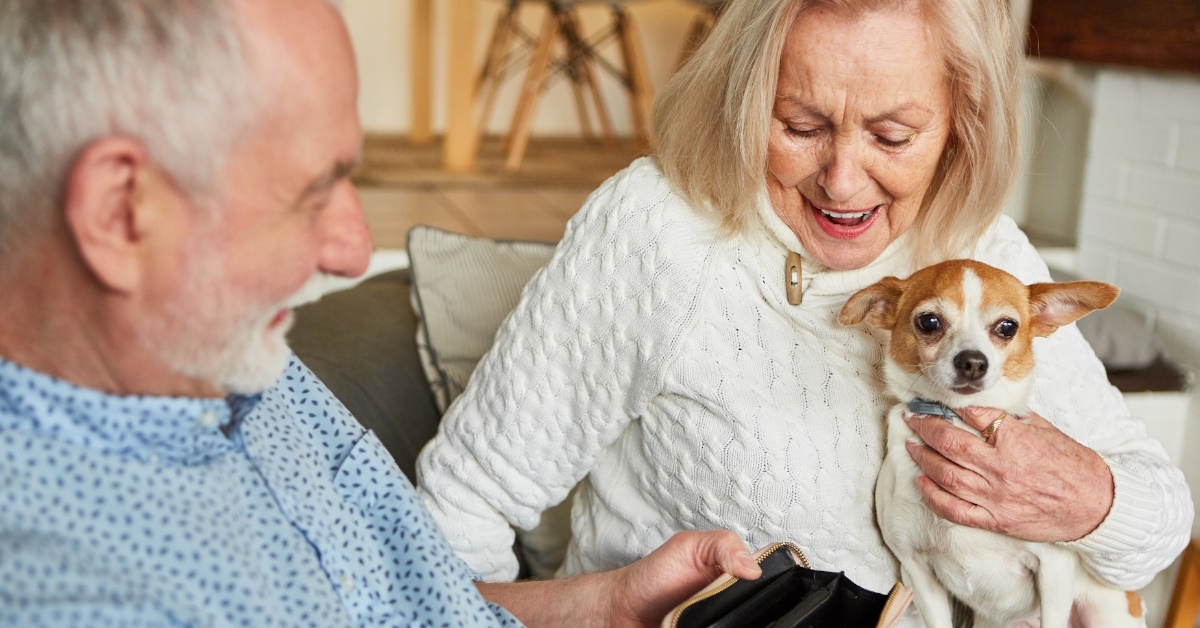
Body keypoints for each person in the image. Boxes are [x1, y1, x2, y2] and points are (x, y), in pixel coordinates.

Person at [415, 0, 1194, 618]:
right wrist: (593, 608)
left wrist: (1085, 497)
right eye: (801, 126)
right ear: (746, 98)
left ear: (961, 123)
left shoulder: (982, 258)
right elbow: (455, 512)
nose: (843, 182)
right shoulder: (655, 233)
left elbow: (1158, 523)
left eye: (892, 136)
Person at [0, 0, 765, 626]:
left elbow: (404, 610)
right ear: (119, 212)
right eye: (310, 193)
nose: (356, 246)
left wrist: (610, 606)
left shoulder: (232, 356)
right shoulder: (63, 583)